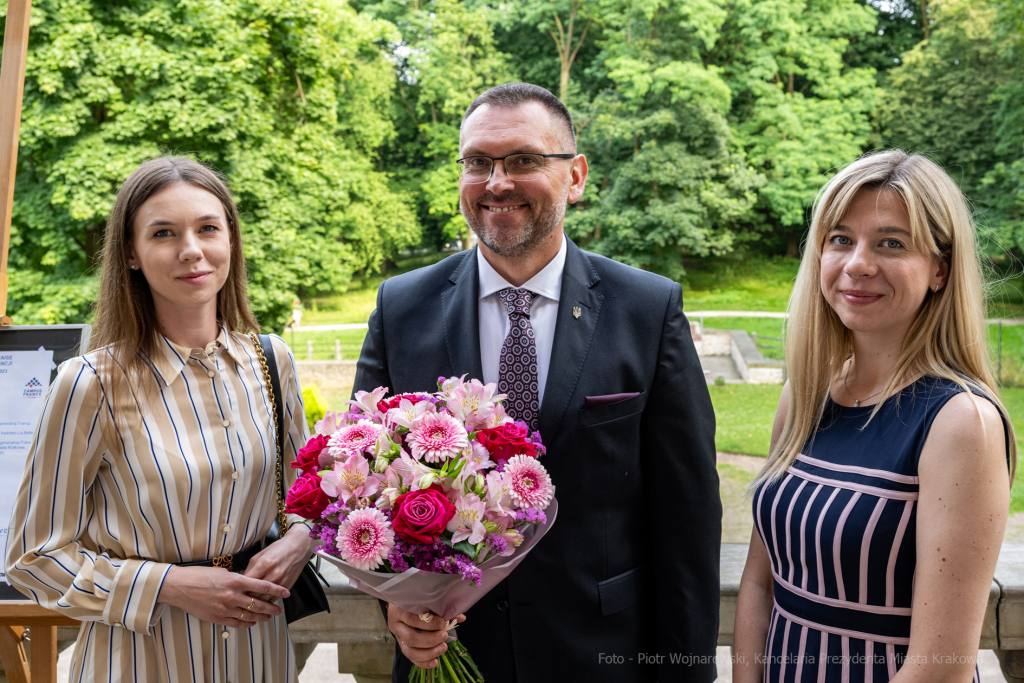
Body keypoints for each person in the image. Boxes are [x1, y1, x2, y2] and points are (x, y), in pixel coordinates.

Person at [353, 82, 721, 682]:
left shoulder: (646, 309)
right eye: (478, 162)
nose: (496, 182)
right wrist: (395, 606)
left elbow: (689, 518)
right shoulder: (402, 307)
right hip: (450, 658)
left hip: (603, 657)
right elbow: (364, 489)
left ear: (574, 177)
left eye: (523, 160)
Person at [4, 157, 315, 682]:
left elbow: (308, 496)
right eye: (164, 233)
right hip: (140, 661)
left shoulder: (271, 360)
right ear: (131, 253)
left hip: (260, 654)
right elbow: (34, 558)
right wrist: (170, 585)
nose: (191, 249)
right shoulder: (90, 384)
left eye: (208, 228)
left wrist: (298, 542)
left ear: (231, 240)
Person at [732, 150, 1016, 682]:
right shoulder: (805, 395)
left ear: (940, 269)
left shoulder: (960, 422)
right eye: (840, 239)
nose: (858, 263)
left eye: (891, 243)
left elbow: (941, 668)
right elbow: (759, 582)